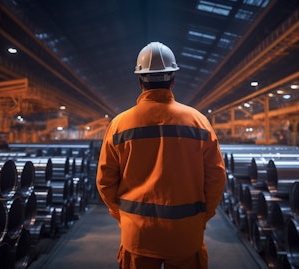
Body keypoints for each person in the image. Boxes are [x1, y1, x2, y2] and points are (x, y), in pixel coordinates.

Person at [96, 41, 226, 269]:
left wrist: (123, 216)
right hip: (186, 235)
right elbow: (216, 178)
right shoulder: (198, 122)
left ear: (140, 81)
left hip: (138, 235)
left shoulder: (119, 125)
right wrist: (202, 216)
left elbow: (105, 181)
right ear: (173, 80)